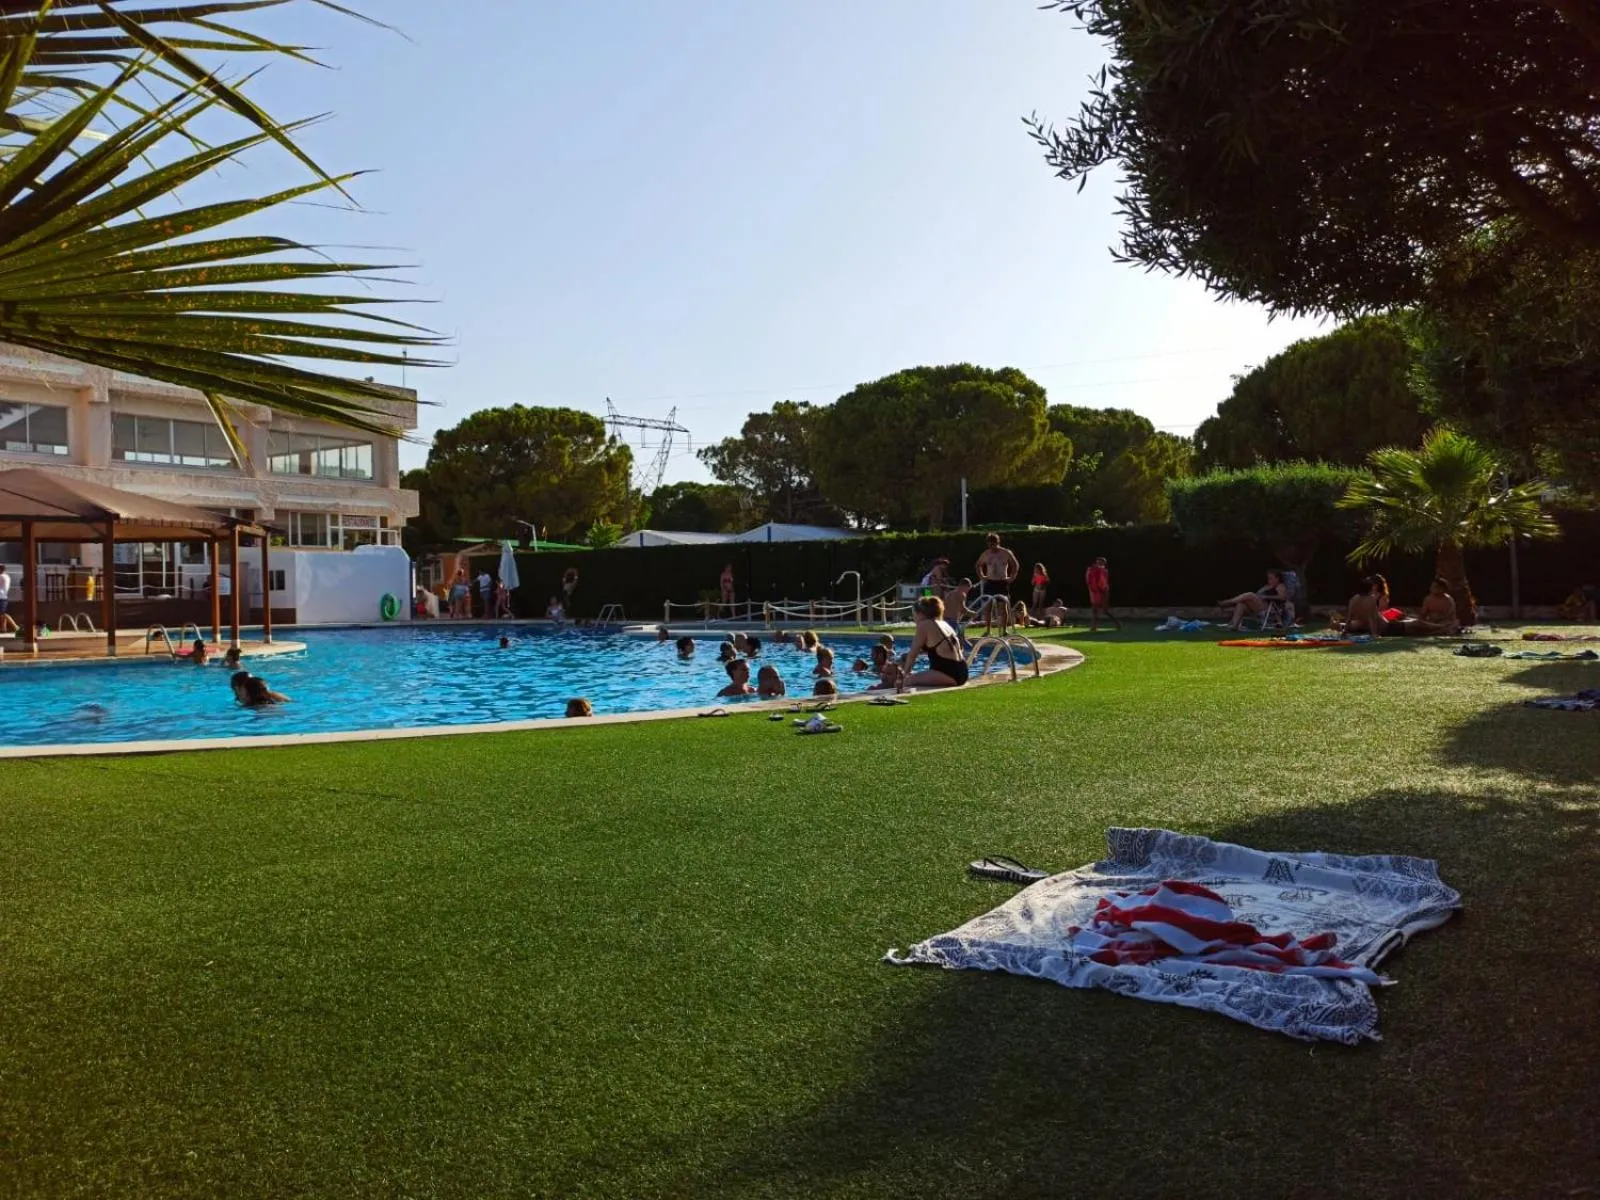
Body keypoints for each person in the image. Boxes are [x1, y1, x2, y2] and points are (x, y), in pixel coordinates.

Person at [899, 595, 970, 688]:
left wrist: (905, 674)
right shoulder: (943, 623)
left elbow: (913, 653)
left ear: (920, 614)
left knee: (907, 681)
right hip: (962, 671)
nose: (914, 618)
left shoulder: (924, 625)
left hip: (950, 674)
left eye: (914, 615)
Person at [975, 533, 1019, 636]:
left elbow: (1015, 565)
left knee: (1003, 607)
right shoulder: (986, 554)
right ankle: (988, 630)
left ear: (997, 543)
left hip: (1002, 582)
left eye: (994, 544)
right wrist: (982, 576)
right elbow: (978, 565)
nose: (992, 547)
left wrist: (1012, 577)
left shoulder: (1005, 553)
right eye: (990, 544)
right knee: (987, 607)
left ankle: (1003, 631)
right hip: (990, 582)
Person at [1218, 570, 1289, 631]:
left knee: (1250, 594)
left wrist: (1266, 596)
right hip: (1259, 606)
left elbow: (1282, 597)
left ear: (1277, 578)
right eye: (1268, 579)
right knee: (1241, 604)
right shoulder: (1268, 586)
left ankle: (1228, 602)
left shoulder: (1280, 586)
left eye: (1271, 578)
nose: (1269, 580)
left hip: (1269, 609)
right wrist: (1260, 595)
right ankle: (1235, 626)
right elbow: (1258, 594)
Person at [1085, 557, 1120, 632]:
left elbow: (1103, 582)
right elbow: (1089, 579)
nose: (1100, 563)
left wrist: (1103, 590)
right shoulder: (1093, 569)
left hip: (1102, 591)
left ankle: (1117, 623)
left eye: (1102, 562)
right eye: (1099, 561)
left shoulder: (1103, 571)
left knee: (1104, 611)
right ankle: (1094, 627)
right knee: (1095, 611)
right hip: (1095, 591)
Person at [0, 565, 16, 634]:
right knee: (2, 613)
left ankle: (16, 627)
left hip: (1, 596)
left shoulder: (1, 576)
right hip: (4, 596)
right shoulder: (7, 576)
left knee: (3, 614)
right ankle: (4, 629)